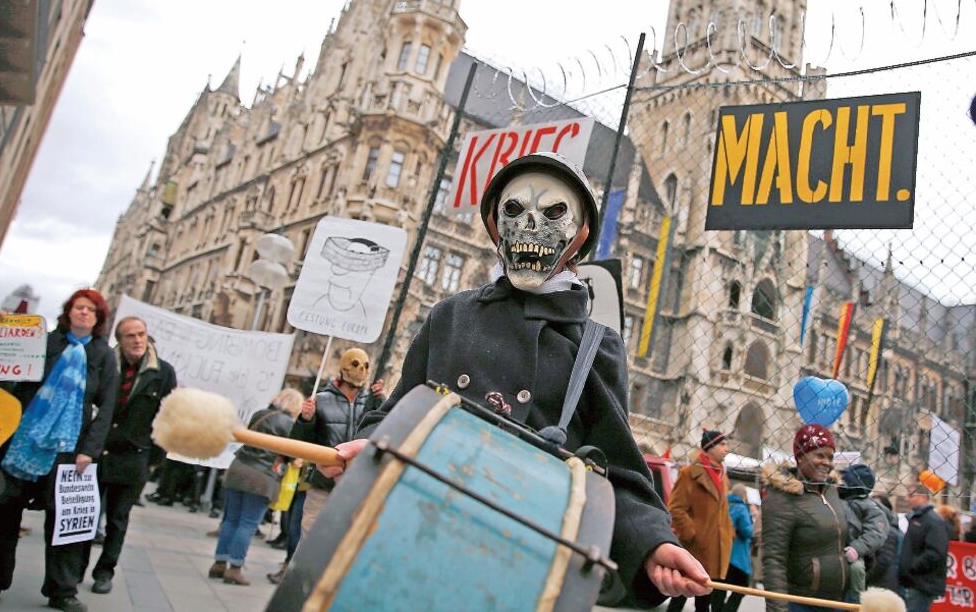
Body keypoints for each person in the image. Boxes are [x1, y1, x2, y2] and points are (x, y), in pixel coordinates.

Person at [318, 152, 711, 608]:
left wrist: (651, 543)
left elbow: (620, 472)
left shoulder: (595, 346)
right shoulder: (451, 317)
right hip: (415, 543)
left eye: (553, 213)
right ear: (493, 226)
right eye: (513, 211)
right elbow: (393, 418)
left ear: (581, 235)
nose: (529, 226)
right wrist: (367, 450)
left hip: (519, 572)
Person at [0, 289, 118, 612]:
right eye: (79, 307)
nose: (84, 313)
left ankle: (62, 590)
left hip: (69, 450)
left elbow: (106, 407)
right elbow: (3, 366)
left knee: (65, 521)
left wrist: (90, 451)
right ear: (68, 312)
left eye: (91, 310)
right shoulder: (43, 340)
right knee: (3, 512)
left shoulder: (103, 355)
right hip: (23, 441)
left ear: (98, 319)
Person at [267, 353, 383, 584]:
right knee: (309, 538)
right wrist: (306, 420)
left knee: (346, 543)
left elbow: (383, 431)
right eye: (355, 364)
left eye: (365, 365)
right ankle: (296, 582)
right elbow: (299, 444)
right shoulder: (320, 399)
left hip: (357, 487)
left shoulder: (372, 401)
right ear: (342, 368)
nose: (361, 370)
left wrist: (382, 402)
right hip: (323, 483)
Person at [86, 316, 177, 594]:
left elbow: (168, 418)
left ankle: (105, 572)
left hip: (134, 457)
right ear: (120, 339)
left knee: (117, 519)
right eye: (130, 336)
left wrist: (153, 460)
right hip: (98, 453)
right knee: (86, 516)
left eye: (141, 334)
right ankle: (74, 569)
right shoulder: (107, 364)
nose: (138, 340)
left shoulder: (163, 372)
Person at [209, 388, 302, 585]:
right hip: (262, 476)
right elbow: (291, 455)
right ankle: (235, 568)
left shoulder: (260, 414)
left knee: (230, 519)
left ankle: (219, 563)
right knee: (247, 524)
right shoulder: (289, 424)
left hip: (238, 467)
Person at [761, 423, 848, 612]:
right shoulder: (782, 496)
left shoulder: (831, 491)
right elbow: (774, 560)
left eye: (830, 457)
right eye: (819, 455)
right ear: (800, 456)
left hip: (836, 603)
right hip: (801, 602)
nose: (827, 462)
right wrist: (777, 609)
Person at [667, 429, 734, 612]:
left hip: (716, 546)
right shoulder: (689, 473)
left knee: (705, 599)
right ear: (709, 447)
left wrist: (729, 533)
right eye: (722, 444)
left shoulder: (722, 475)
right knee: (681, 595)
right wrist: (691, 533)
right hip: (696, 546)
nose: (727, 448)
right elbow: (675, 508)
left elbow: (723, 511)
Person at [838, 463, 890, 603]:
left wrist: (857, 548)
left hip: (852, 550)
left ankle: (855, 600)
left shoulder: (869, 506)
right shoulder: (834, 497)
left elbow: (876, 532)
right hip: (830, 545)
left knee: (856, 568)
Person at [899, 484, 949, 612]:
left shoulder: (932, 521)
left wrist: (913, 567)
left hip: (922, 583)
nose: (906, 499)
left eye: (911, 495)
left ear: (923, 497)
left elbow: (935, 552)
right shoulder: (917, 518)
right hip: (914, 581)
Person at [711, 483, 755, 612]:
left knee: (720, 588)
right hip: (737, 557)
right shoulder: (741, 509)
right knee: (742, 588)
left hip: (722, 554)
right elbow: (747, 531)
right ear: (743, 495)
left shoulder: (723, 506)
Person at [868, 493, 902, 592]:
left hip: (881, 585)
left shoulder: (888, 531)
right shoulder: (875, 528)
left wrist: (866, 578)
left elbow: (883, 561)